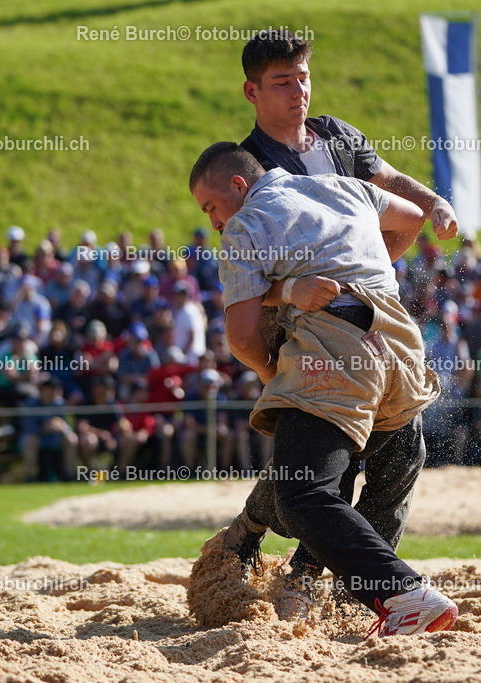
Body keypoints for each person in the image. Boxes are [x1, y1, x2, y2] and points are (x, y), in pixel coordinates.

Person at [189, 142, 457, 636]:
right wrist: (362, 277)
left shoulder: (247, 226)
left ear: (239, 186)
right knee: (388, 471)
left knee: (303, 492)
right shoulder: (344, 187)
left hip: (334, 351)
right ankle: (357, 604)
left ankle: (404, 594)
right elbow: (412, 218)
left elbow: (243, 337)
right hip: (401, 343)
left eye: (211, 207)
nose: (213, 221)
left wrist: (277, 378)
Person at [232, 29, 459, 608]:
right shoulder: (249, 168)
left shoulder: (335, 134)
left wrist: (432, 203)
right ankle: (264, 548)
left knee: (395, 459)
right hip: (307, 329)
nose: (298, 91)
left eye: (303, 77)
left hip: (373, 320)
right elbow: (243, 277)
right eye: (283, 82)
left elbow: (389, 183)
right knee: (321, 468)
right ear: (252, 92)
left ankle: (330, 585)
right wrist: (293, 293)